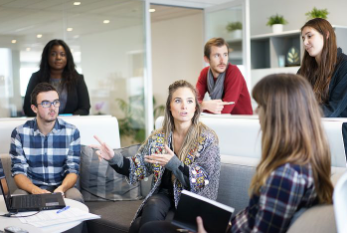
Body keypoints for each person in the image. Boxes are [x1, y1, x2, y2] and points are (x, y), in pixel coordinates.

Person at [144, 74, 334, 233]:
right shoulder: (303, 164)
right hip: (230, 227)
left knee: (149, 229)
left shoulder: (285, 176)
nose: (257, 112)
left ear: (279, 114)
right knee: (144, 224)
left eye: (261, 106)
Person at [92, 80, 221, 233]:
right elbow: (137, 167)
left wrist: (174, 163)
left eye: (189, 101)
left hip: (193, 200)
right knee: (152, 204)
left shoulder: (207, 138)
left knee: (138, 226)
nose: (184, 106)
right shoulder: (158, 137)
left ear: (195, 107)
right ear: (170, 107)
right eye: (178, 100)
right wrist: (114, 158)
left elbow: (201, 180)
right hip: (164, 195)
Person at [10, 83, 83, 202]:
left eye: (55, 102)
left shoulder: (71, 132)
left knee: (76, 197)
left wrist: (61, 189)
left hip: (62, 188)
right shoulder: (19, 133)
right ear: (34, 108)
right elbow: (18, 172)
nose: (52, 107)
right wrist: (36, 191)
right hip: (31, 189)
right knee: (17, 199)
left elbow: (73, 169)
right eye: (45, 103)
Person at [298, 18, 347, 158]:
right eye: (303, 38)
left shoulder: (344, 66)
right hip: (312, 137)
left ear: (326, 35)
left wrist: (297, 116)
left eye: (309, 36)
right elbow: (294, 101)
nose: (305, 42)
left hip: (340, 140)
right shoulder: (304, 70)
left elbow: (333, 109)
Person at [23, 39, 90, 116]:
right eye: (53, 54)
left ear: (67, 57)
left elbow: (84, 108)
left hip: (70, 124)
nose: (58, 57)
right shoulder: (36, 78)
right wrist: (46, 119)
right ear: (46, 57)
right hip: (43, 125)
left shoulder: (77, 79)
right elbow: (28, 108)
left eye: (62, 54)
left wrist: (70, 119)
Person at [196, 37, 252, 115]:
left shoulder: (233, 71)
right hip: (221, 121)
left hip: (242, 122)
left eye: (225, 55)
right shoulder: (204, 73)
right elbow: (193, 102)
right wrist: (204, 105)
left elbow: (225, 110)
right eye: (217, 55)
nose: (222, 60)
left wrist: (201, 107)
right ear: (206, 59)